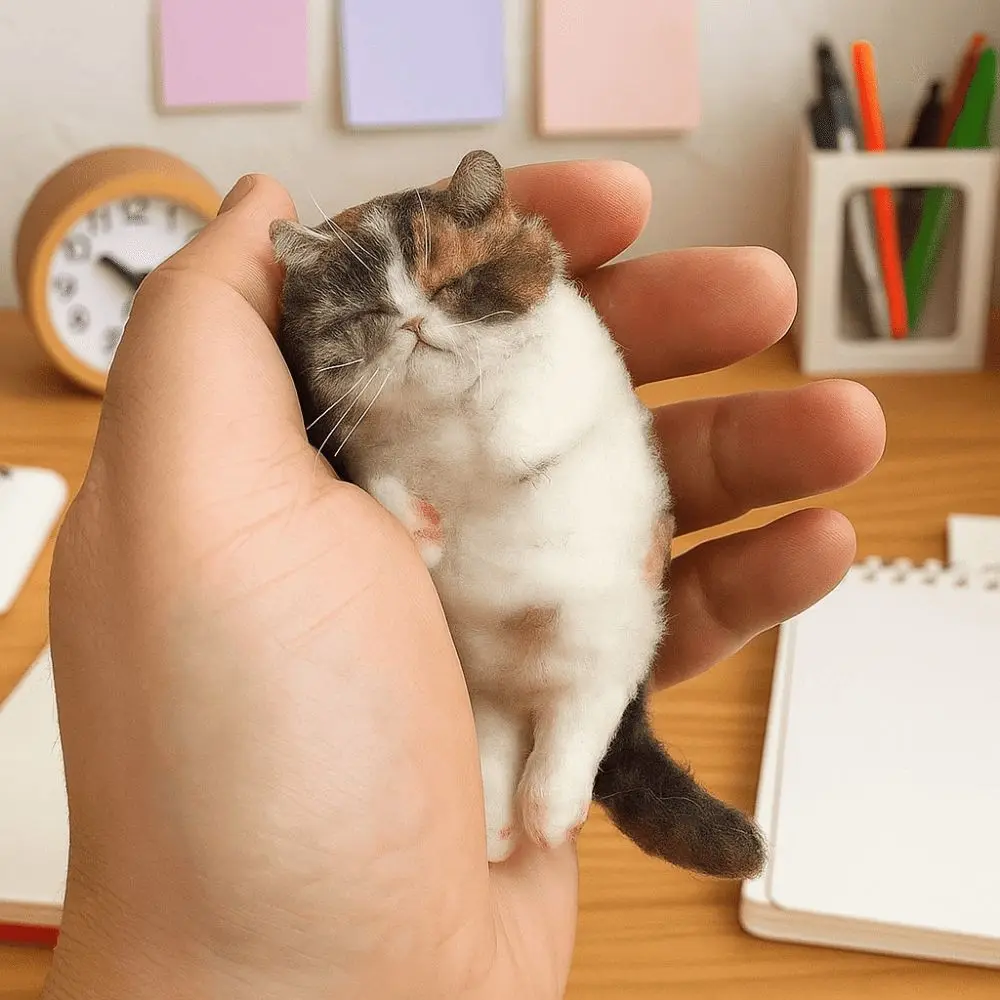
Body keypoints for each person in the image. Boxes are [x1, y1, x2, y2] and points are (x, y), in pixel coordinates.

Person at [41, 163, 885, 1000]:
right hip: (462, 643)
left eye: (445, 289)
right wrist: (395, 511)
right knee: (481, 703)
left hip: (587, 580)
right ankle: (502, 766)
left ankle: (577, 742)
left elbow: (562, 422)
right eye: (374, 315)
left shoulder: (561, 341)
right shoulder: (367, 424)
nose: (411, 324)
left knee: (589, 662)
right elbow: (382, 518)